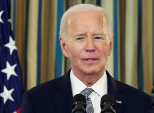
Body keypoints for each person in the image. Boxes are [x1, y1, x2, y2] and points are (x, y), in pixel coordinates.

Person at [20, 4, 154, 113]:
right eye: (80, 38)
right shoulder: (36, 101)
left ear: (110, 46)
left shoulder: (141, 104)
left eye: (98, 37)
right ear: (64, 47)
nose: (90, 47)